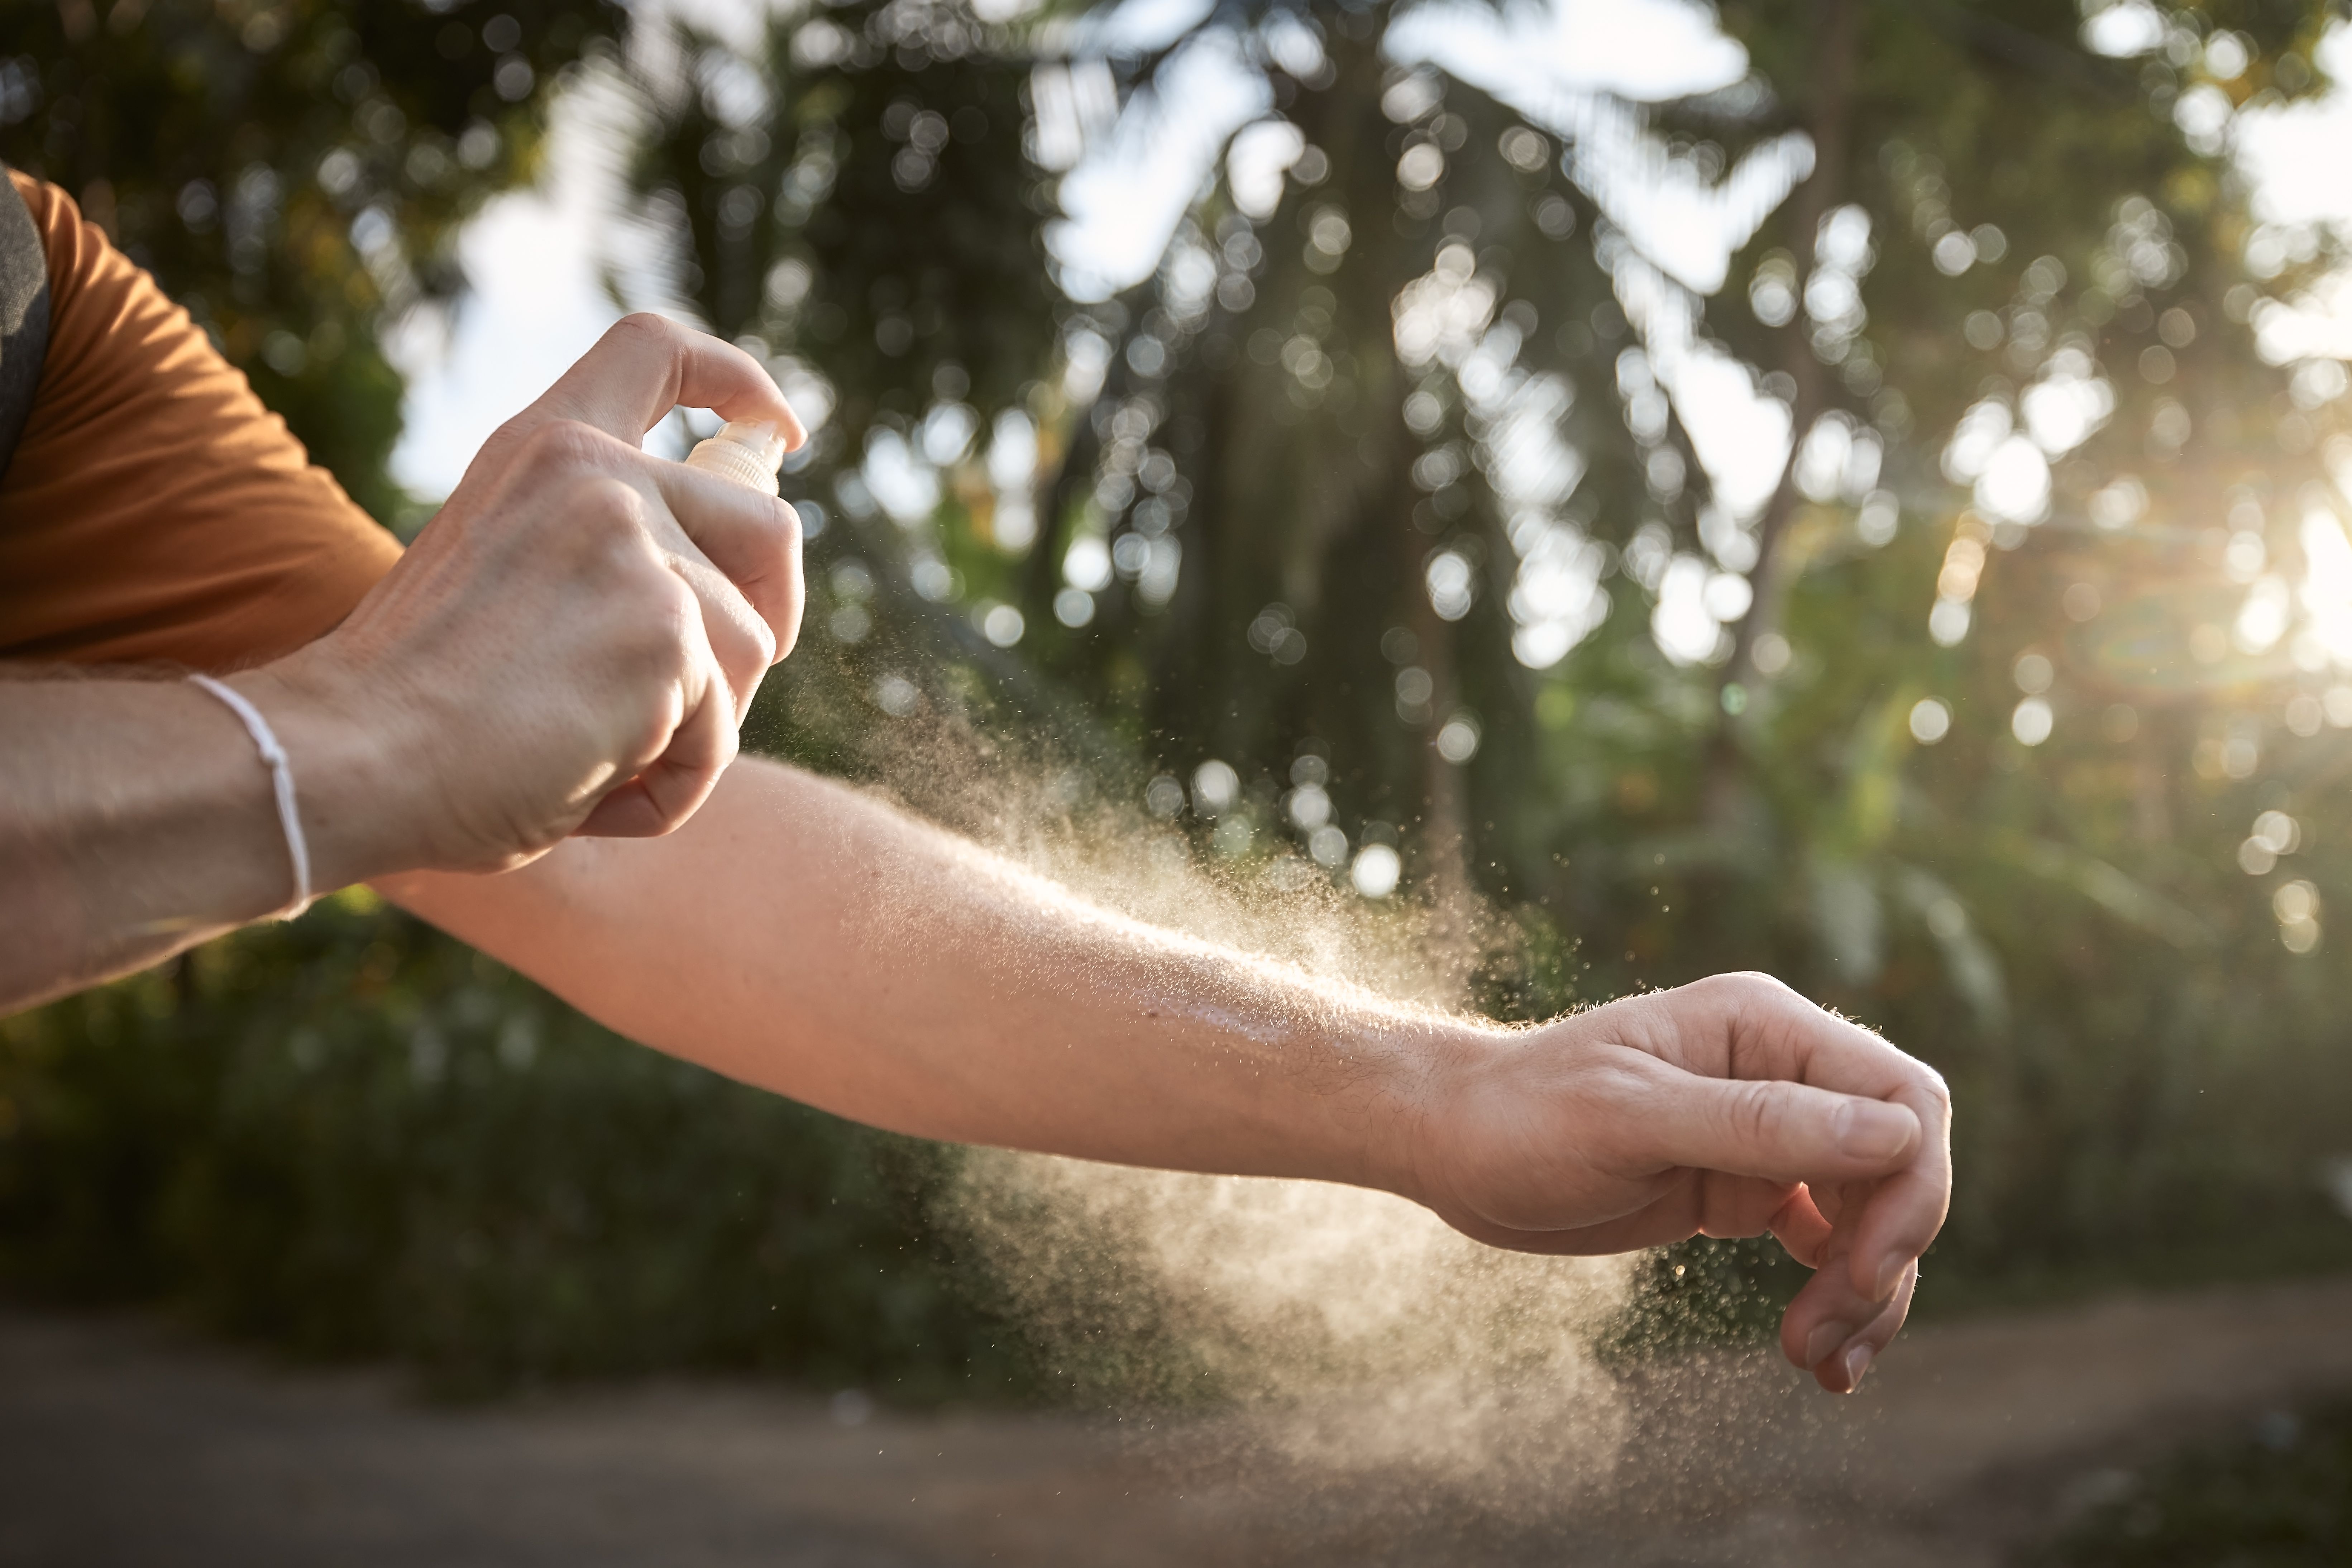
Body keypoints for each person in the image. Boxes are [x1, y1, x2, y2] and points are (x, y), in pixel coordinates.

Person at [0, 169, 1946, 1396]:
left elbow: (629, 857)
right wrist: (353, 744)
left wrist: (1447, 1088)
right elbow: (379, 748)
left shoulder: (48, 314)